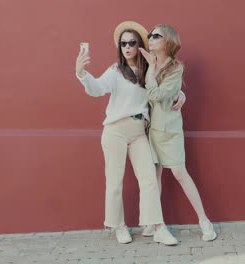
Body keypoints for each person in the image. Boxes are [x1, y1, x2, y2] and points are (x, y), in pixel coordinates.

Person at [75, 21, 183, 245]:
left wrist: (182, 93)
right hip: (115, 130)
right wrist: (82, 73)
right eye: (123, 43)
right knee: (114, 182)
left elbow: (165, 86)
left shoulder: (149, 69)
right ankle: (119, 226)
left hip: (138, 131)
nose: (127, 46)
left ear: (139, 45)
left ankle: (158, 227)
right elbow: (97, 89)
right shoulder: (116, 71)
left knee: (149, 180)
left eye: (132, 42)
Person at [139, 24, 217, 241]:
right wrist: (152, 69)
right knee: (154, 177)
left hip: (169, 131)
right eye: (149, 35)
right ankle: (154, 222)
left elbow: (156, 95)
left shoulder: (175, 68)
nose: (150, 38)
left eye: (156, 35)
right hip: (149, 130)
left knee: (180, 173)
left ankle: (204, 221)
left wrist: (155, 73)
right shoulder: (147, 62)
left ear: (168, 41)